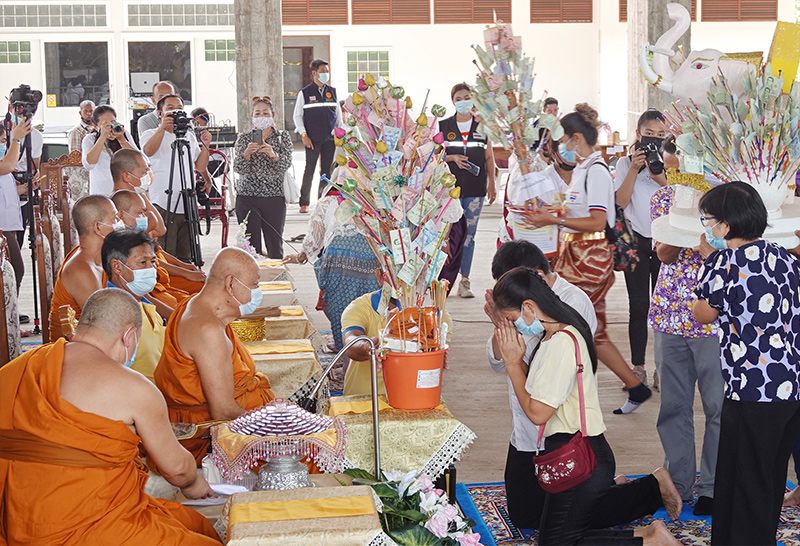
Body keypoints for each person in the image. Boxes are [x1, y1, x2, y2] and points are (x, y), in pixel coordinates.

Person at [0, 288, 221, 545]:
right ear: (128, 336)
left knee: (188, 522)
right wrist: (195, 485)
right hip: (91, 524)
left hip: (16, 523)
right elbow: (177, 470)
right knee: (204, 538)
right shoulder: (135, 387)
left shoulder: (15, 370)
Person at [492, 267, 683, 544]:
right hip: (573, 451)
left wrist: (511, 364)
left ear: (529, 307)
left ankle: (652, 542)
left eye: (512, 319)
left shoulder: (560, 343)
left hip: (579, 455)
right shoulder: (554, 334)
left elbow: (537, 412)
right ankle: (646, 533)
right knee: (557, 536)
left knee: (560, 543)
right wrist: (515, 359)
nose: (515, 327)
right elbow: (537, 387)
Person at [522, 103, 651, 414]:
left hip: (591, 258)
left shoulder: (596, 171)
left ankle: (573, 387)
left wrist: (553, 221)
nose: (561, 147)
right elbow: (576, 212)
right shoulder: (582, 169)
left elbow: (597, 222)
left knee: (575, 322)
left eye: (564, 140)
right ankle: (632, 387)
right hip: (575, 254)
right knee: (590, 327)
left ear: (576, 138)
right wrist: (549, 214)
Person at [693, 182, 800, 545]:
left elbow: (702, 313)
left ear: (725, 224)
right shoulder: (784, 256)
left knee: (743, 479)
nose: (706, 227)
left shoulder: (724, 262)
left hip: (751, 390)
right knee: (768, 477)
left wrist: (709, 261)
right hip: (789, 385)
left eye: (707, 219)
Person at [484, 240, 597, 529]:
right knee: (526, 517)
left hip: (563, 435)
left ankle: (639, 505)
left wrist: (513, 361)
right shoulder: (545, 327)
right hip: (528, 432)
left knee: (562, 528)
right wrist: (502, 328)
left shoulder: (561, 333)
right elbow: (502, 362)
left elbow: (538, 408)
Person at [649, 140, 723, 517]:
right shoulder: (663, 199)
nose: (678, 161)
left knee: (717, 406)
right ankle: (678, 483)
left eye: (687, 154)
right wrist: (685, 219)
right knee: (674, 405)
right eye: (672, 155)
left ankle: (712, 485)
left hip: (713, 316)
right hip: (669, 314)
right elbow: (663, 252)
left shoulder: (726, 199)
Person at [154, 247, 275, 464]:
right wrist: (279, 426)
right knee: (311, 457)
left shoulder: (194, 304)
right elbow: (223, 410)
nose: (258, 291)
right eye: (255, 284)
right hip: (215, 437)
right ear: (230, 284)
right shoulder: (207, 330)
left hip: (240, 417)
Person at [284, 180, 381, 351]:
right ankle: (371, 350)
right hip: (374, 262)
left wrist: (300, 256)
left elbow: (314, 238)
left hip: (338, 262)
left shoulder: (327, 202)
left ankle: (345, 354)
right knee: (371, 308)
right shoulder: (376, 200)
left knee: (340, 311)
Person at [613, 109, 669, 386]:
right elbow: (619, 204)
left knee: (662, 306)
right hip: (635, 241)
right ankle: (638, 366)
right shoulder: (624, 164)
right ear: (638, 134)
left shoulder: (672, 162)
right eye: (649, 134)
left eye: (661, 135)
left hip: (665, 243)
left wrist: (661, 176)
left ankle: (662, 367)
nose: (654, 140)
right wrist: (635, 169)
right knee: (639, 305)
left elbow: (678, 199)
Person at [341, 270, 453, 396]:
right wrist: (367, 348)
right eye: (395, 273)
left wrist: (434, 357)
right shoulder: (360, 307)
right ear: (379, 276)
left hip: (414, 399)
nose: (402, 282)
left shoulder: (436, 316)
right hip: (366, 400)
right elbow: (350, 340)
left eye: (410, 274)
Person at [111, 149, 206, 295]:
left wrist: (183, 265)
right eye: (143, 173)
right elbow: (144, 253)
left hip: (159, 269)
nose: (147, 176)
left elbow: (158, 237)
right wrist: (184, 272)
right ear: (126, 176)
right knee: (201, 289)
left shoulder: (136, 199)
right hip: (147, 275)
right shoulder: (119, 207)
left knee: (203, 285)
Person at [141, 94, 212, 263]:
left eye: (179, 107)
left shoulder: (188, 134)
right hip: (164, 202)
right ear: (160, 113)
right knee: (165, 253)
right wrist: (162, 129)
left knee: (185, 255)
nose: (176, 111)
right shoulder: (150, 133)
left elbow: (200, 166)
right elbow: (148, 151)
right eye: (170, 108)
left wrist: (206, 145)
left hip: (187, 203)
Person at [441, 82, 496, 298]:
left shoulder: (483, 126)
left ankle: (464, 280)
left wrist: (491, 183)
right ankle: (444, 279)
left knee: (469, 236)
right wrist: (452, 157)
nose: (463, 102)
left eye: (467, 97)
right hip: (448, 189)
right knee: (447, 235)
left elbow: (489, 157)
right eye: (458, 99)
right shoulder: (443, 126)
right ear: (453, 102)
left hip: (475, 189)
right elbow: (433, 156)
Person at [48, 195, 123, 341]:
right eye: (114, 219)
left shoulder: (99, 256)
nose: (120, 223)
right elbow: (104, 324)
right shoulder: (81, 270)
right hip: (71, 351)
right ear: (97, 227)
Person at [102, 229, 166, 382]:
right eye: (142, 262)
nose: (151, 269)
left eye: (152, 261)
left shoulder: (142, 303)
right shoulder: (114, 313)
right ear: (117, 267)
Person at [233, 97, 292, 258]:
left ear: (273, 114)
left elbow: (285, 165)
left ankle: (278, 281)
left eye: (265, 113)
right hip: (247, 197)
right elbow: (238, 168)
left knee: (275, 246)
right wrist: (246, 154)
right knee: (251, 249)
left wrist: (273, 155)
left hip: (274, 198)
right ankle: (253, 281)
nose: (261, 116)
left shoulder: (282, 137)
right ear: (252, 116)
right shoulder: (244, 138)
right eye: (257, 113)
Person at [293, 59, 342, 213]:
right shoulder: (305, 93)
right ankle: (304, 203)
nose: (326, 74)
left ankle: (323, 200)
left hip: (330, 138)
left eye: (327, 71)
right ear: (314, 73)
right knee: (310, 169)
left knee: (327, 171)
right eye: (322, 71)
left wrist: (340, 134)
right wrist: (304, 135)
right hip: (312, 139)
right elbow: (297, 116)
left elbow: (338, 117)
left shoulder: (332, 92)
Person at [0, 118, 33, 295]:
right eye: (2, 140)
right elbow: (8, 165)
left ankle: (9, 312)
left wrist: (25, 188)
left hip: (7, 224)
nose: (3, 144)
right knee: (15, 270)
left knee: (13, 272)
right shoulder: (3, 163)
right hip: (1, 227)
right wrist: (16, 139)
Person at [82, 105, 138, 196]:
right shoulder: (90, 139)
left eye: (112, 122)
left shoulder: (125, 134)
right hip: (101, 192)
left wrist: (122, 139)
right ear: (95, 126)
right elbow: (89, 165)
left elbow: (138, 160)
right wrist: (102, 136)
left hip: (126, 190)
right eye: (105, 124)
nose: (110, 127)